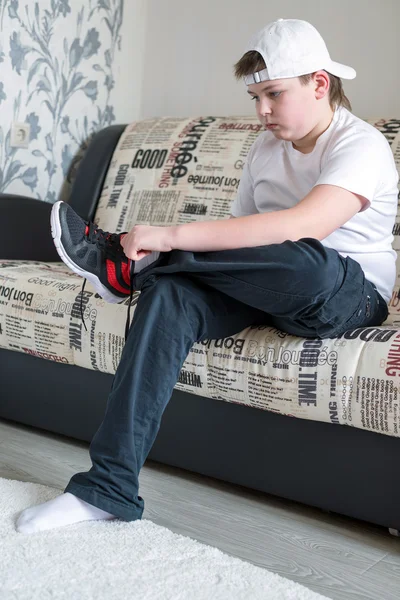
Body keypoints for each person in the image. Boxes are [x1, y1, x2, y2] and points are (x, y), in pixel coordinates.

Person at [16, 18, 398, 534]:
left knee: (300, 254)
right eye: (255, 96)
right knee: (171, 296)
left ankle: (127, 264)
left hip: (343, 294)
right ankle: (106, 488)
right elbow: (237, 233)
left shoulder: (361, 145)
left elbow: (305, 225)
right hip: (266, 288)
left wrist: (169, 237)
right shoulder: (265, 148)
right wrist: (183, 255)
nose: (261, 110)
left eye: (274, 94)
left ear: (319, 83)